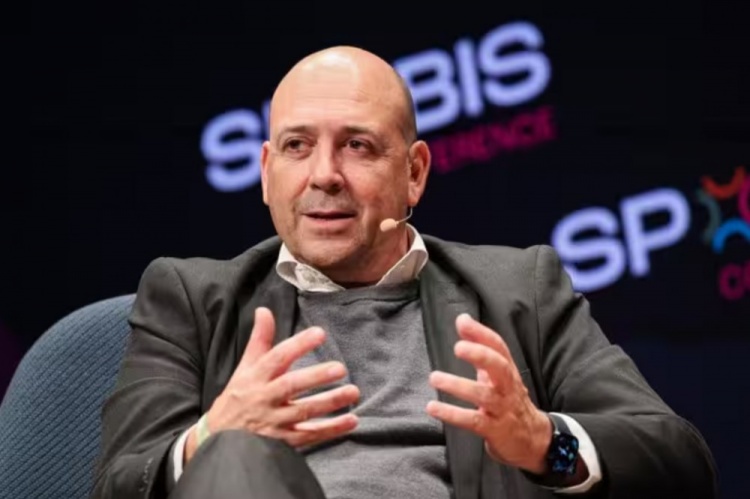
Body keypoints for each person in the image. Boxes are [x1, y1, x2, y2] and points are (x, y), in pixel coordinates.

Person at [90, 46, 717, 499]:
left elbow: (678, 459)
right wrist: (209, 439)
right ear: (265, 171)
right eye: (297, 146)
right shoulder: (192, 298)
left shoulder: (518, 289)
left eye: (357, 145)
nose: (324, 174)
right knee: (233, 455)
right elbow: (119, 483)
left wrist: (540, 441)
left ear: (414, 172)